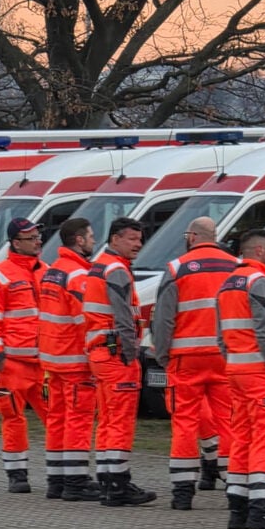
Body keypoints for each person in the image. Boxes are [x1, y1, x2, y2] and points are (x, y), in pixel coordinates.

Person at [152, 216, 237, 510]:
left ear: (191, 236)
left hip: (185, 358)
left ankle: (183, 491)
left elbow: (163, 318)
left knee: (185, 423)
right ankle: (234, 483)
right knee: (228, 421)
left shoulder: (176, 269)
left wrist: (162, 354)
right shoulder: (235, 266)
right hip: (224, 357)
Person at [217, 229, 265, 529]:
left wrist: (232, 359)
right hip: (261, 373)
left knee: (242, 438)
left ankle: (238, 509)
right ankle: (262, 509)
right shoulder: (259, 282)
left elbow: (219, 333)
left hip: (236, 371)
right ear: (260, 251)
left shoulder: (227, 283)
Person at [83, 217, 157, 506]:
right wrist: (130, 351)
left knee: (107, 420)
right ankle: (118, 484)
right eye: (131, 239)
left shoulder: (98, 267)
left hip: (99, 352)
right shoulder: (116, 270)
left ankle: (107, 478)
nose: (137, 244)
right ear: (114, 239)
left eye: (139, 240)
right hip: (115, 355)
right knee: (121, 422)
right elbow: (124, 316)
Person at [0, 217, 49, 494]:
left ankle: (68, 471)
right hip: (13, 363)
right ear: (15, 242)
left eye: (37, 237)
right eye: (31, 237)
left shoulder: (48, 271)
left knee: (59, 417)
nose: (37, 241)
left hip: (45, 362)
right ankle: (16, 473)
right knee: (12, 417)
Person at [38, 217, 102, 502]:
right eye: (90, 236)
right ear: (79, 240)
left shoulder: (52, 271)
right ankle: (75, 481)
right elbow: (84, 318)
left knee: (57, 418)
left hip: (53, 358)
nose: (93, 241)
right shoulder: (77, 275)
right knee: (78, 418)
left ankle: (56, 479)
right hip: (75, 359)